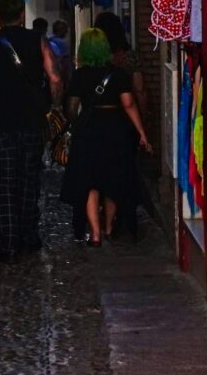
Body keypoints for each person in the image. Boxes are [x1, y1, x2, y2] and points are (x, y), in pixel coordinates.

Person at [0, 0, 59, 262]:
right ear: (22, 15)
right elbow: (54, 78)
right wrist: (52, 108)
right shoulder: (38, 41)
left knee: (3, 183)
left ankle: (8, 243)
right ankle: (29, 236)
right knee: (29, 179)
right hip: (32, 122)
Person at [60, 28, 150, 245]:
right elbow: (128, 104)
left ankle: (96, 234)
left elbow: (71, 108)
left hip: (88, 132)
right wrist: (142, 133)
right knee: (113, 180)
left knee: (90, 183)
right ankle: (109, 227)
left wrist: (77, 123)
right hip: (115, 130)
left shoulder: (79, 75)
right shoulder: (118, 74)